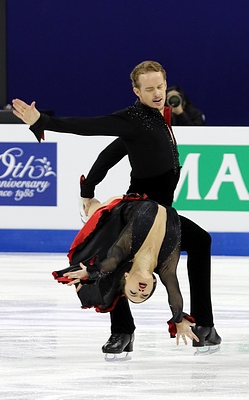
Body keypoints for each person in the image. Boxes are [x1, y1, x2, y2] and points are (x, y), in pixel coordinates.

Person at [12, 60, 221, 354]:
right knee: (117, 260)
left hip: (162, 214)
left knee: (201, 241)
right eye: (149, 89)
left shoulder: (159, 117)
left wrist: (88, 188)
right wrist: (43, 121)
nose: (158, 93)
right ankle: (122, 331)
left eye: (160, 86)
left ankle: (203, 324)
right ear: (136, 91)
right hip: (139, 209)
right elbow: (90, 127)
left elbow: (112, 152)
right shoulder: (134, 118)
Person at [52, 193, 199, 350]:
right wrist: (178, 318)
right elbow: (173, 291)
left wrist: (90, 272)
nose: (140, 291)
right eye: (144, 295)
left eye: (133, 293)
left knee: (101, 213)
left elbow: (112, 262)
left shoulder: (125, 249)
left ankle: (88, 205)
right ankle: (89, 207)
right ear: (153, 283)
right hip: (162, 205)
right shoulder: (165, 267)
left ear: (126, 277)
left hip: (124, 212)